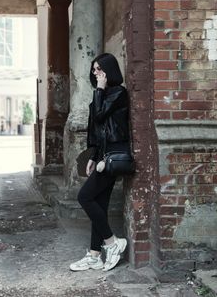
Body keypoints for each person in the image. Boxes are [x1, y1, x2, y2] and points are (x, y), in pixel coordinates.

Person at [69, 53, 131, 272]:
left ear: (109, 70)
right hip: (103, 156)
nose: (95, 73)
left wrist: (100, 89)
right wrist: (93, 157)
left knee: (84, 197)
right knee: (100, 205)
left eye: (99, 69)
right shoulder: (102, 94)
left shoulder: (118, 93)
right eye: (94, 69)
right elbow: (97, 131)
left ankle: (113, 243)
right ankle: (95, 256)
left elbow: (100, 116)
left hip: (114, 157)